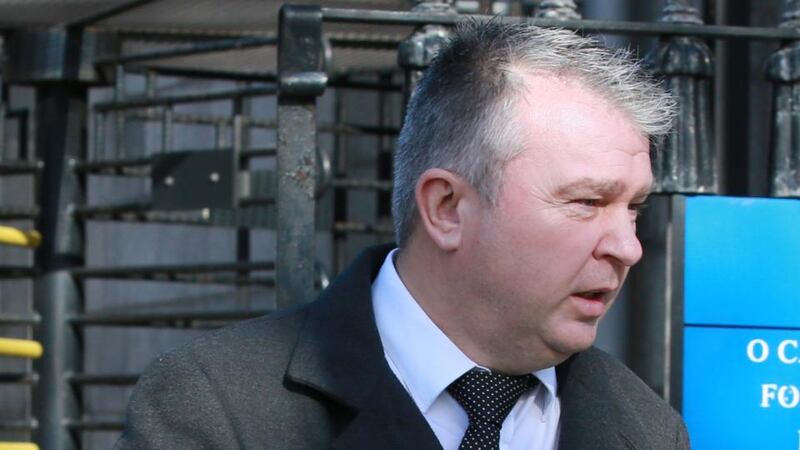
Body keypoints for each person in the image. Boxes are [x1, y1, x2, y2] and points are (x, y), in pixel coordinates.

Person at [115, 20, 689, 450]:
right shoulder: (218, 407)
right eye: (587, 202)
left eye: (633, 207)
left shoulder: (648, 430)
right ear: (446, 208)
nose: (627, 247)